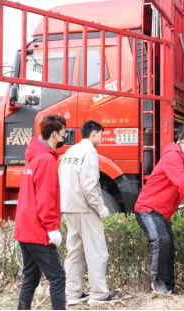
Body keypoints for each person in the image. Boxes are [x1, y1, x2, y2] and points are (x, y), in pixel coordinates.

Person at [135, 127, 184, 294]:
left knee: (169, 248)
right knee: (162, 241)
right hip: (148, 209)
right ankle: (157, 283)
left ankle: (168, 288)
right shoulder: (173, 156)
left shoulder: (182, 158)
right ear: (182, 143)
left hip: (161, 214)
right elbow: (181, 183)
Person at [58, 120, 118, 305]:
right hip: (85, 208)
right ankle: (99, 295)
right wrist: (101, 208)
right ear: (94, 133)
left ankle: (73, 294)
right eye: (100, 134)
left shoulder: (70, 151)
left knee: (74, 252)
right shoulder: (90, 151)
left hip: (69, 207)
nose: (101, 138)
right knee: (97, 251)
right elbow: (89, 186)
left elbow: (61, 174)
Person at [14, 114, 67, 310]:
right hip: (38, 230)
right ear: (54, 134)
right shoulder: (45, 160)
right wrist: (51, 227)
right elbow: (45, 198)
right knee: (57, 277)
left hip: (24, 228)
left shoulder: (34, 157)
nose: (64, 137)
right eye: (63, 133)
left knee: (32, 276)